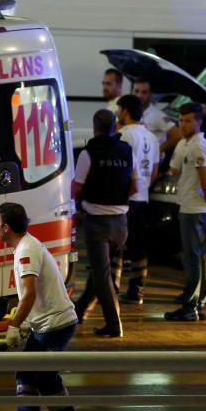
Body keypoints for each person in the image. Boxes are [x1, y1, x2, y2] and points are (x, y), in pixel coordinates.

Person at [0, 202, 80, 411]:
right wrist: (23, 320)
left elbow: (30, 293)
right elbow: (30, 294)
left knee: (45, 376)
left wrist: (14, 326)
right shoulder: (26, 245)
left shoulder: (26, 250)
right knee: (25, 372)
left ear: (6, 228)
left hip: (56, 324)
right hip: (45, 324)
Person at [72, 109, 135, 337]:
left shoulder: (88, 153)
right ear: (115, 126)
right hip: (121, 223)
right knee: (102, 271)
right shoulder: (127, 151)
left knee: (101, 274)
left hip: (97, 222)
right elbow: (135, 185)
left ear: (94, 126)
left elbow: (77, 187)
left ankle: (114, 324)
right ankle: (79, 311)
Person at [165, 103, 206, 322]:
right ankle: (197, 300)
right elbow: (175, 169)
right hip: (188, 205)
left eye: (188, 121)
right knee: (194, 256)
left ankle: (192, 307)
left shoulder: (198, 147)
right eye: (181, 121)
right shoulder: (186, 144)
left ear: (199, 122)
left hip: (195, 208)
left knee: (193, 257)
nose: (183, 125)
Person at [114, 95, 159, 304]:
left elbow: (121, 168)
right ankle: (137, 291)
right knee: (139, 246)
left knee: (117, 244)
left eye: (119, 108)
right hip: (144, 197)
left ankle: (111, 287)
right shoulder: (152, 138)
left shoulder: (124, 135)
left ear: (125, 111)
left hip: (126, 198)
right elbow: (155, 171)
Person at [133, 78, 181, 158]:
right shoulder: (133, 113)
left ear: (150, 94)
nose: (139, 95)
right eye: (136, 91)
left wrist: (157, 151)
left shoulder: (160, 115)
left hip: (152, 163)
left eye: (144, 92)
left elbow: (177, 135)